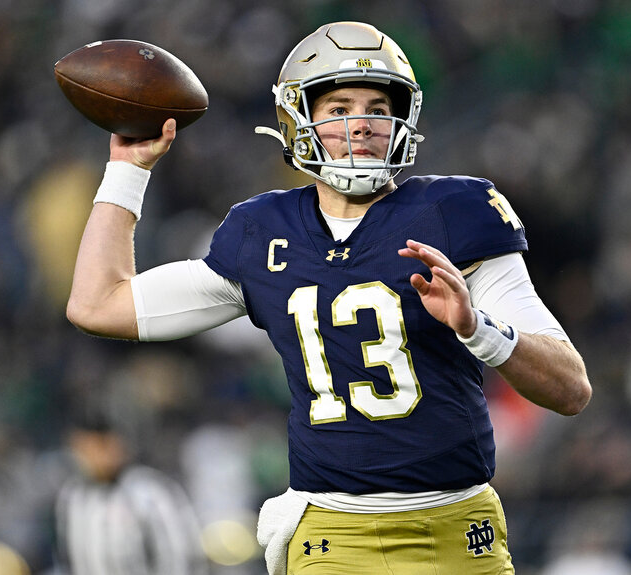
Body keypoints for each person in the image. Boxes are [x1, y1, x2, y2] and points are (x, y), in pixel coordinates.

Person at [66, 21, 592, 575]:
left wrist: (477, 328)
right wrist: (126, 173)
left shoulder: (455, 211)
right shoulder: (261, 232)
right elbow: (97, 304)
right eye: (338, 107)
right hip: (329, 535)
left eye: (375, 106)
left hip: (454, 530)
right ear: (300, 119)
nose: (360, 124)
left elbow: (571, 388)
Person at [54, 408, 208, 575]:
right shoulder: (72, 496)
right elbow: (67, 557)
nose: (93, 456)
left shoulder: (150, 492)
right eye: (84, 449)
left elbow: (181, 555)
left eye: (102, 446)